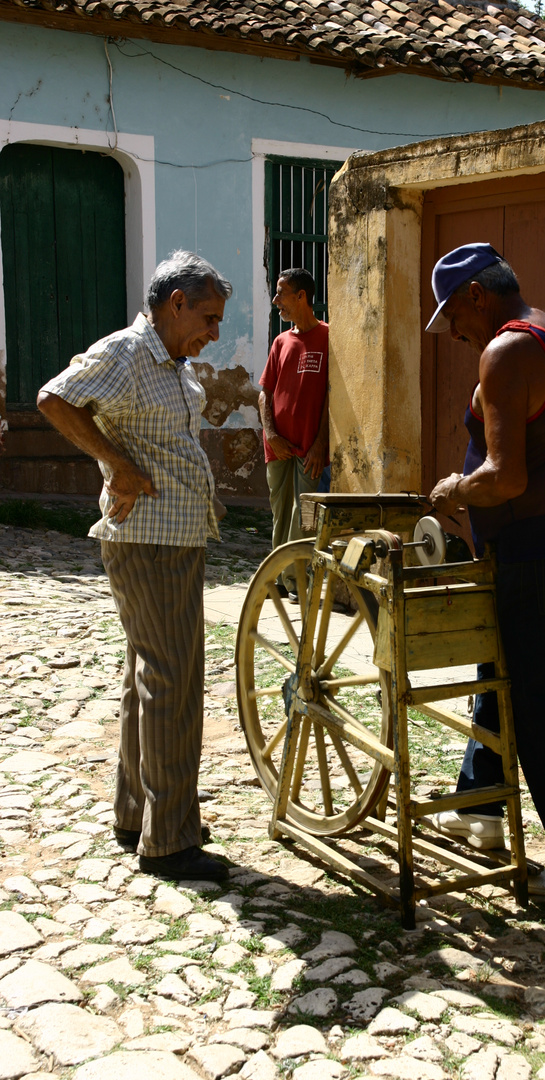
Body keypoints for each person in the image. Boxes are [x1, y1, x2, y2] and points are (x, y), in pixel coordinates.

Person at [425, 242, 545, 905]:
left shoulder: (506, 350)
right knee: (502, 664)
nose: (454, 331)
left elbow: (506, 477)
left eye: (452, 314)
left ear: (476, 295)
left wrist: (456, 487)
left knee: (538, 702)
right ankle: (479, 803)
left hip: (535, 551)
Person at [37, 250, 232, 883]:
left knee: (146, 676)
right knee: (172, 682)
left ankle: (137, 813)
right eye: (207, 316)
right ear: (176, 304)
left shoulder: (169, 363)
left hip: (170, 536)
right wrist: (115, 464)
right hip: (150, 539)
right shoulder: (127, 351)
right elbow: (56, 399)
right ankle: (171, 841)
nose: (213, 332)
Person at [258, 268, 329, 597]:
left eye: (281, 293)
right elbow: (265, 393)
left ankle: (297, 582)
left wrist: (320, 444)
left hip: (308, 447)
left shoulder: (329, 337)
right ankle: (277, 579)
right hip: (278, 447)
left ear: (301, 296)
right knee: (280, 513)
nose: (276, 301)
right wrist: (270, 434)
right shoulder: (281, 341)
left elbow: (333, 396)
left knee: (304, 517)